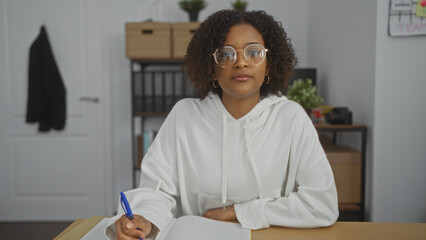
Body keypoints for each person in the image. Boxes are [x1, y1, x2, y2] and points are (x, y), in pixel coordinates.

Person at [108, 9, 338, 240]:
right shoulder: (185, 115)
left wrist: (237, 213)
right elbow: (155, 189)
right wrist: (145, 218)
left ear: (268, 65)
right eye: (226, 55)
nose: (240, 62)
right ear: (212, 68)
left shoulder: (291, 118)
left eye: (254, 52)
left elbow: (322, 205)